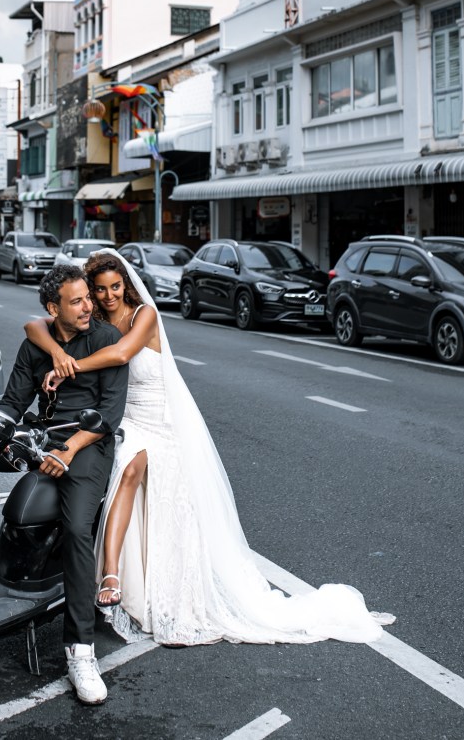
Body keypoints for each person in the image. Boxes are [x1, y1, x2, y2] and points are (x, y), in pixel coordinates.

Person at [26, 251, 395, 649]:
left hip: (158, 416)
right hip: (121, 414)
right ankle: (115, 577)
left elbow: (119, 355)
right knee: (120, 469)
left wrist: (69, 367)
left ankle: (122, 577)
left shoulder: (143, 315)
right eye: (99, 290)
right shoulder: (92, 321)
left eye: (115, 287)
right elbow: (34, 326)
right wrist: (60, 352)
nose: (108, 295)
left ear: (127, 285)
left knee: (139, 472)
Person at [0, 264, 128, 705]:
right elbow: (13, 402)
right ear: (54, 309)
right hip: (44, 441)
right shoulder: (37, 346)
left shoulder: (107, 340)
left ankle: (80, 650)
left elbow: (109, 414)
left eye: (88, 297)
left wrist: (69, 449)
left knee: (76, 530)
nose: (91, 305)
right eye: (78, 301)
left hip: (88, 444)